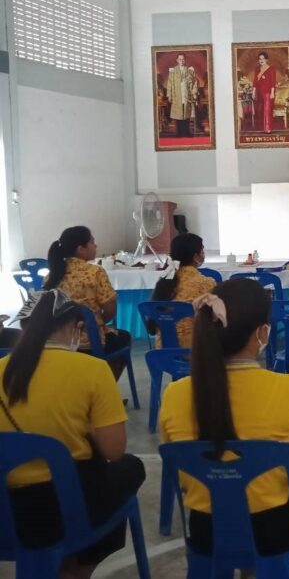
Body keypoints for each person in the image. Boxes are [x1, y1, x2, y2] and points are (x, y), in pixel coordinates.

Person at [159, 280, 289, 579]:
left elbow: (179, 468)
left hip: (206, 531)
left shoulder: (175, 393)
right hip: (272, 533)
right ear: (262, 333)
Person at [0, 290, 146, 579]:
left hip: (6, 510)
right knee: (129, 468)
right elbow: (113, 450)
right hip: (65, 509)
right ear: (76, 328)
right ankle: (78, 570)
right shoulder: (93, 369)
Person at [43, 226, 131, 380]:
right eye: (92, 242)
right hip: (91, 343)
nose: (96, 246)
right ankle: (104, 384)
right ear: (80, 249)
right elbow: (110, 310)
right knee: (124, 337)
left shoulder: (51, 277)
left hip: (59, 344)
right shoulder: (95, 272)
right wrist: (94, 322)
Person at [149, 233, 216, 349]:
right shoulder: (206, 283)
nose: (203, 254)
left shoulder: (164, 281)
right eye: (202, 250)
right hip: (195, 349)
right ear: (196, 256)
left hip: (163, 349)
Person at [167, 53, 198, 138]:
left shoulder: (190, 71)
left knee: (186, 114)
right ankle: (179, 133)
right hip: (177, 95)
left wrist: (194, 93)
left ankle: (186, 133)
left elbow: (195, 82)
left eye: (183, 59)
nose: (181, 61)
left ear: (185, 60)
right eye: (180, 59)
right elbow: (169, 84)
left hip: (186, 95)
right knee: (178, 114)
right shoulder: (173, 71)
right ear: (177, 60)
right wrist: (169, 95)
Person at [252, 51, 277, 133]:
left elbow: (273, 82)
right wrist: (253, 92)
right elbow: (255, 81)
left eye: (263, 58)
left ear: (266, 59)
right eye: (260, 59)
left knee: (267, 110)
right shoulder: (257, 69)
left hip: (268, 92)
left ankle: (268, 128)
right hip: (259, 93)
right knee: (260, 111)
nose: (261, 60)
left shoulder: (271, 69)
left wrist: (272, 93)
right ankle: (263, 128)